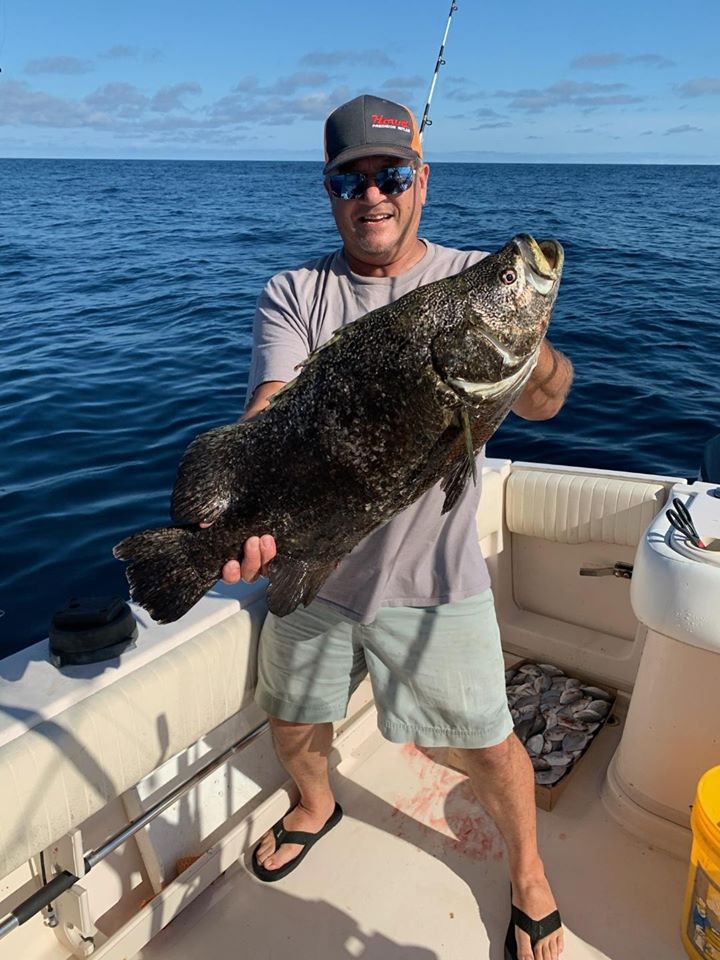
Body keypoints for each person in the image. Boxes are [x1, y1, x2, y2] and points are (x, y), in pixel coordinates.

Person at [222, 95, 572, 960]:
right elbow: (269, 411)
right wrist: (243, 521)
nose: (373, 195)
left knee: (488, 748)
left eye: (392, 175)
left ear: (421, 181)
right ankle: (315, 804)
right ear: (331, 190)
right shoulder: (293, 292)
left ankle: (528, 872)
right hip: (314, 567)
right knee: (293, 720)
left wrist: (529, 344)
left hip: (435, 581)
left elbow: (549, 400)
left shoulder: (468, 282)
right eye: (352, 180)